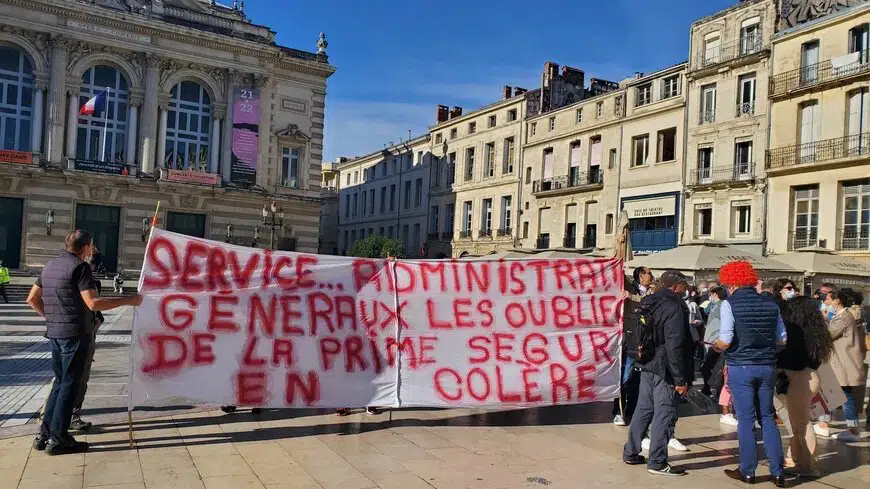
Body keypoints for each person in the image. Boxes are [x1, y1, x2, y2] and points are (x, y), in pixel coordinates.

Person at [26, 230, 142, 455]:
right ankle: (59, 439)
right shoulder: (80, 267)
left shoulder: (50, 265)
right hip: (75, 334)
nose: (92, 252)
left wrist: (51, 318)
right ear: (86, 248)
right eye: (92, 248)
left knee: (60, 384)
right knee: (69, 385)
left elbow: (31, 298)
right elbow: (93, 303)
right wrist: (130, 300)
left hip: (55, 334)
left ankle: (44, 434)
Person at [713, 261, 786, 487]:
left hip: (741, 366)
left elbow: (725, 339)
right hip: (767, 366)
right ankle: (778, 472)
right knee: (767, 417)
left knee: (745, 419)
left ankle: (747, 470)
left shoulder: (729, 304)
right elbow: (782, 338)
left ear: (731, 283)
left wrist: (716, 345)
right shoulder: (771, 303)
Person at [622, 270, 693, 477]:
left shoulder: (650, 300)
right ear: (676, 286)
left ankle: (631, 451)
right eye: (683, 284)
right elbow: (674, 344)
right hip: (665, 368)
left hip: (647, 362)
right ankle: (657, 461)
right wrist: (680, 378)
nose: (686, 287)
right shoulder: (674, 306)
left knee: (643, 409)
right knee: (664, 412)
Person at [778, 296, 834, 474]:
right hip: (809, 377)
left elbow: (792, 358)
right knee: (797, 421)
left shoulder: (797, 333)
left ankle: (807, 463)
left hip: (798, 378)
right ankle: (795, 457)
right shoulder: (818, 332)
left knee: (801, 423)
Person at [815, 289, 867, 442]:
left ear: (837, 301)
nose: (827, 302)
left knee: (843, 395)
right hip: (840, 363)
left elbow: (828, 334)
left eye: (829, 299)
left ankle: (852, 429)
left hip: (842, 364)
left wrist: (822, 319)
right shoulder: (843, 316)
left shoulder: (843, 317)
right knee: (831, 393)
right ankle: (824, 423)